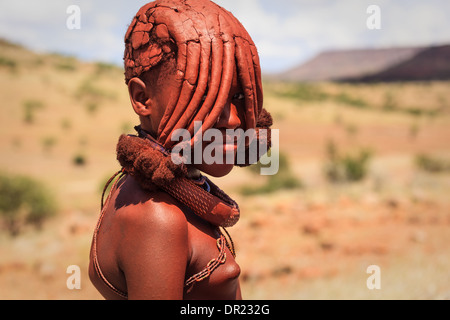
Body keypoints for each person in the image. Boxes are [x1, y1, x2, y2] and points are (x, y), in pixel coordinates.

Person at [89, 0, 272, 300]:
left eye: (238, 96)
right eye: (208, 97)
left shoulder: (168, 194)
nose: (236, 118)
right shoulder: (157, 217)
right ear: (142, 98)